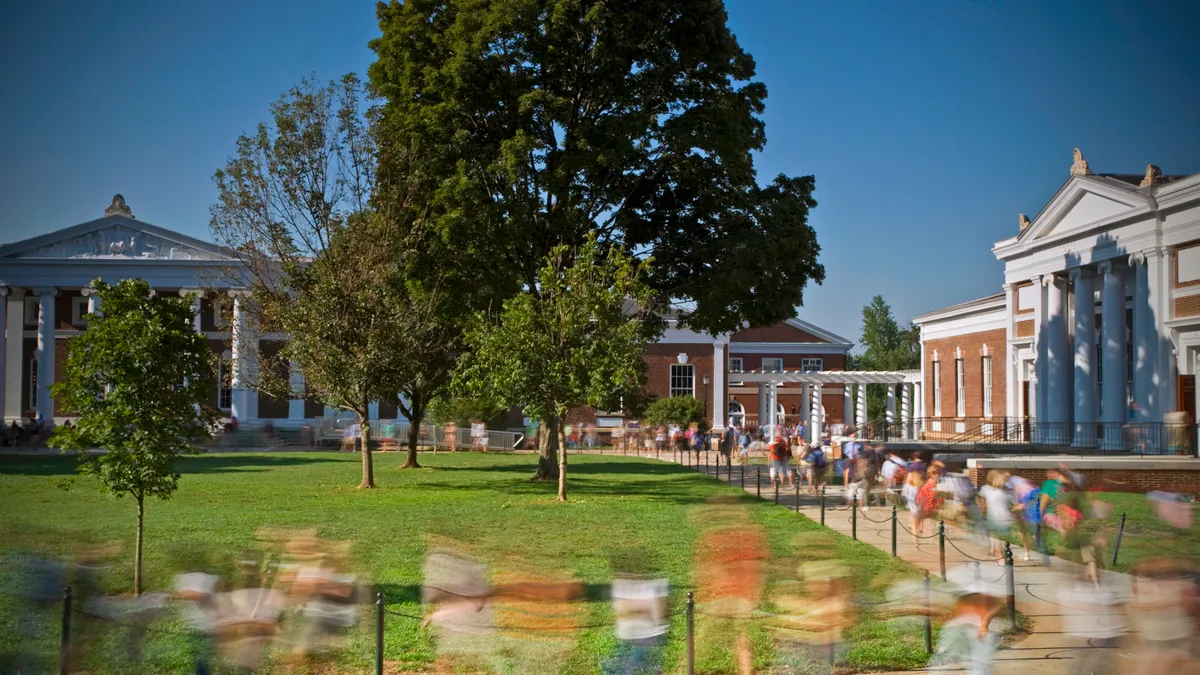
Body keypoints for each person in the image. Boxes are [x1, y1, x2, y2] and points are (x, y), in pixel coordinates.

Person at [978, 470, 1015, 562]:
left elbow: (982, 504)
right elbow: (1013, 503)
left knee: (998, 540)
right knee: (1002, 541)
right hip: (1006, 518)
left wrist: (981, 512)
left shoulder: (985, 489)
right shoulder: (1007, 490)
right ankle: (1002, 557)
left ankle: (1001, 559)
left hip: (995, 518)